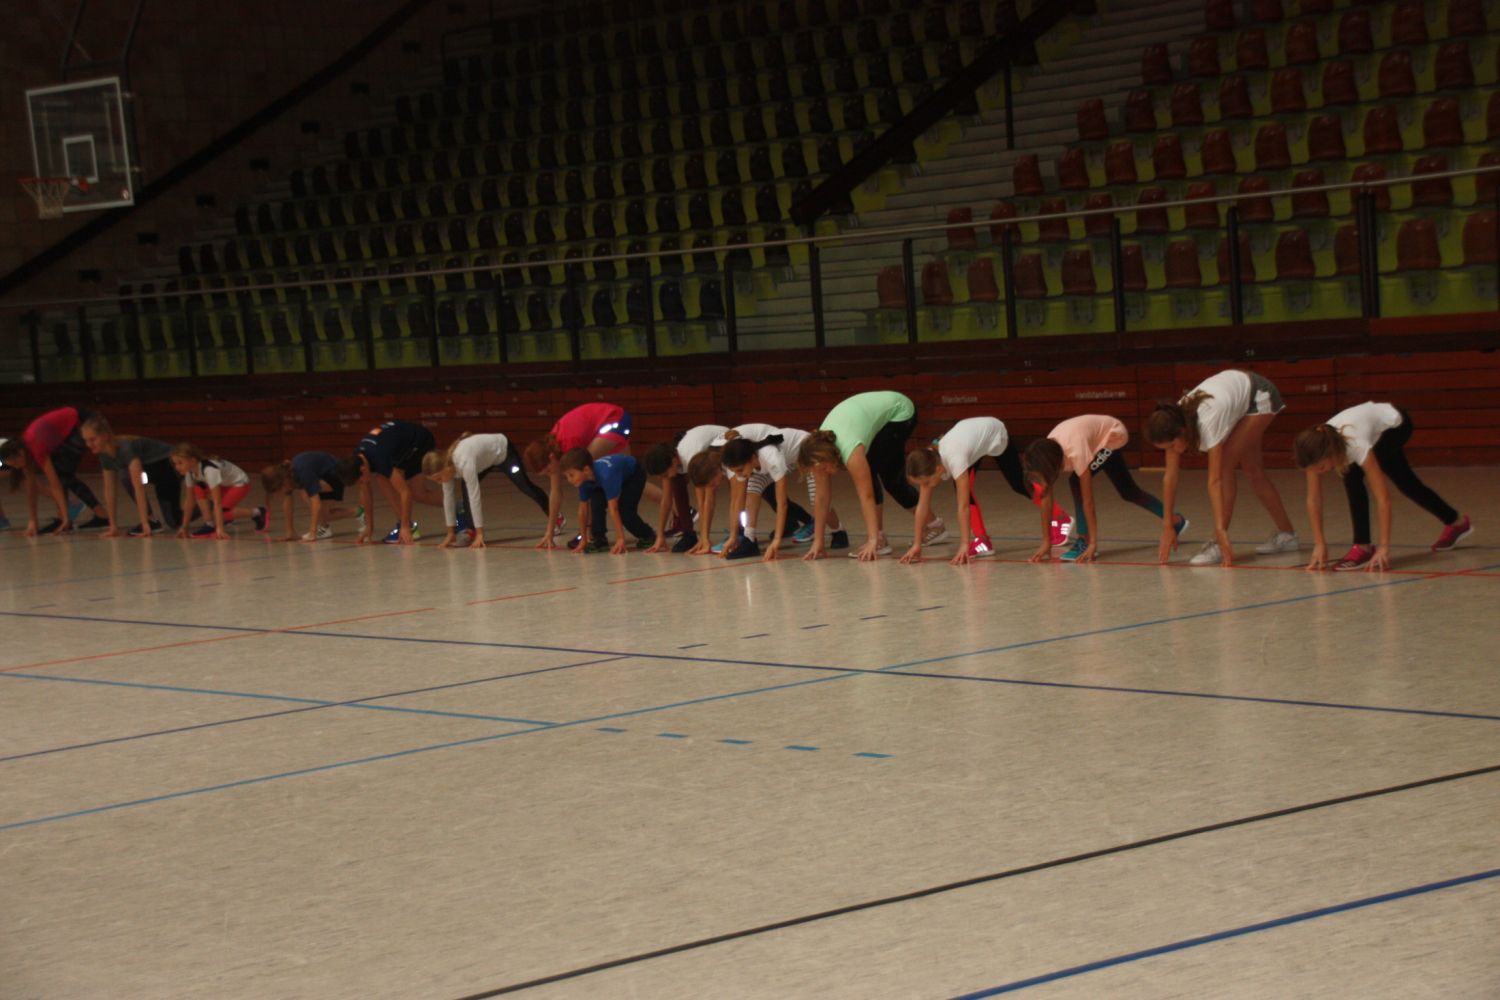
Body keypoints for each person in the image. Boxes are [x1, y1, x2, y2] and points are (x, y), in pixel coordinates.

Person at [1294, 402, 1473, 571]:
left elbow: (1382, 498)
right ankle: (1456, 522)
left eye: (1321, 468)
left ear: (1331, 453)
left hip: (1395, 425)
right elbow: (1314, 499)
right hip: (1371, 429)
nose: (1320, 472)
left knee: (1354, 477)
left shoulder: (1356, 445)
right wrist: (1319, 543)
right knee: (1407, 483)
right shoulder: (1313, 451)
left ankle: (1362, 547)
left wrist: (1384, 547)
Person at [1147, 369, 1298, 567]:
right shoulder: (1173, 420)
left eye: (1172, 446)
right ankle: (1287, 535)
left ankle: (1217, 542)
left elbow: (1215, 479)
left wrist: (1221, 529)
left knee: (1226, 464)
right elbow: (1170, 477)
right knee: (1253, 470)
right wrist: (1168, 525)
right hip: (1238, 395)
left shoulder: (1208, 420)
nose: (1172, 451)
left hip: (1259, 396)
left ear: (1182, 431)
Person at [899, 416, 1072, 565]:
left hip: (995, 433)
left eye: (926, 482)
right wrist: (917, 544)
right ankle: (983, 541)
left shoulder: (955, 458)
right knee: (964, 490)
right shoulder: (929, 461)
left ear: (937, 470)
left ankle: (1060, 517)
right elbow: (922, 506)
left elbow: (963, 506)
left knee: (1018, 484)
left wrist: (964, 545)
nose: (925, 486)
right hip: (972, 439)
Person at [796, 390, 943, 561]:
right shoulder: (817, 452)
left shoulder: (850, 449)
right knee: (881, 474)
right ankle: (931, 525)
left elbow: (866, 495)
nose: (824, 473)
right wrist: (818, 541)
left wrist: (872, 540)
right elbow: (821, 499)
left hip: (899, 412)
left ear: (827, 456)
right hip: (868, 416)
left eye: (823, 468)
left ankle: (882, 538)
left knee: (890, 479)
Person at [1022, 414, 1188, 563]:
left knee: (1076, 482)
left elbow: (1088, 502)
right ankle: (1175, 521)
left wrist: (1093, 544)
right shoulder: (1045, 457)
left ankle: (1084, 539)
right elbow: (1045, 497)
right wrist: (1046, 542)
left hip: (1113, 435)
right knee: (1129, 491)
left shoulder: (1075, 452)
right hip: (1094, 438)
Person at [524, 401, 664, 549]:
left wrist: (585, 533)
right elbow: (555, 492)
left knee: (587, 475)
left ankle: (591, 533)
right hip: (609, 422)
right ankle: (675, 509)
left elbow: (584, 487)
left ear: (551, 457)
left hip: (613, 420)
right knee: (629, 480)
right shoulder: (552, 449)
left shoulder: (569, 445)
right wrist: (549, 532)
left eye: (548, 471)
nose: (551, 474)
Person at [420, 431, 555, 549]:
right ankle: (471, 530)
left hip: (503, 452)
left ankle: (555, 517)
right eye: (435, 481)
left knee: (524, 486)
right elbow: (448, 499)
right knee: (465, 487)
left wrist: (481, 534)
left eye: (439, 478)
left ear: (445, 468)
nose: (439, 482)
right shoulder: (447, 469)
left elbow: (474, 496)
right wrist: (450, 533)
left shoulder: (464, 461)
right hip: (485, 461)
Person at [715, 425, 825, 561]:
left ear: (752, 458)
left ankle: (838, 532)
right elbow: (738, 501)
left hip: (809, 451)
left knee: (818, 499)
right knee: (752, 491)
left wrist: (776, 541)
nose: (739, 475)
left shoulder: (771, 457)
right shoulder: (747, 462)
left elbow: (782, 503)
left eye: (740, 470)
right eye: (735, 472)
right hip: (787, 458)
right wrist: (733, 536)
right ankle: (749, 539)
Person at [0, 405, 109, 536]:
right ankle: (99, 514)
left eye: (15, 463)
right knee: (64, 473)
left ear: (19, 454)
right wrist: (33, 520)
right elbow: (31, 487)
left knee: (61, 473)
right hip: (70, 427)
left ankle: (66, 518)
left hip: (81, 421)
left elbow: (55, 484)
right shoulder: (25, 449)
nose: (16, 467)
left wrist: (65, 518)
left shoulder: (36, 447)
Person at [333, 419, 442, 545]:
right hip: (401, 443)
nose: (361, 483)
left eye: (360, 481)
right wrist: (369, 526)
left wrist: (404, 527)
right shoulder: (357, 459)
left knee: (417, 493)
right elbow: (365, 492)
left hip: (420, 442)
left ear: (363, 470)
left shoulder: (379, 458)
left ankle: (408, 526)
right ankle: (407, 524)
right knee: (382, 478)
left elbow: (405, 493)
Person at [80, 415, 184, 537]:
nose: (88, 444)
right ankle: (152, 521)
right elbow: (109, 490)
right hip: (155, 473)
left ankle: (151, 520)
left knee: (125, 474)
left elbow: (138, 486)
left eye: (92, 439)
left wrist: (145, 523)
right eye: (86, 440)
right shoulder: (105, 455)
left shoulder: (126, 449)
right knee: (174, 521)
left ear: (105, 436)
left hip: (170, 467)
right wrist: (113, 526)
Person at [642, 425, 726, 553]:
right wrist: (660, 536)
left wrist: (704, 539)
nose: (664, 478)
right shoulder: (670, 462)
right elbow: (666, 500)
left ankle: (740, 532)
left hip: (724, 443)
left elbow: (706, 500)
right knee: (676, 484)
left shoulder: (693, 459)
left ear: (674, 461)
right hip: (701, 445)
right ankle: (688, 534)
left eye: (664, 474)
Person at [559, 447, 655, 554]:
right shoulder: (584, 480)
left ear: (586, 470)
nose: (569, 480)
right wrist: (584, 539)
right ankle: (599, 539)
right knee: (596, 506)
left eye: (571, 475)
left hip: (633, 475)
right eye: (566, 476)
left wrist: (620, 539)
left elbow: (613, 509)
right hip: (605, 478)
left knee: (625, 511)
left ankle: (648, 535)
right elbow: (582, 511)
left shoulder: (607, 475)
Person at [260, 453, 366, 542]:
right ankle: (324, 526)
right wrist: (290, 532)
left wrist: (312, 532)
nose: (280, 493)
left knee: (322, 512)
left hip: (335, 477)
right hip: (322, 476)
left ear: (281, 483)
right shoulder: (288, 475)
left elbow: (316, 503)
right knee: (313, 502)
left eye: (278, 491)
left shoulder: (302, 472)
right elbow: (287, 502)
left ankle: (359, 512)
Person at [169, 443, 264, 540]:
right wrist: (184, 527)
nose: (177, 467)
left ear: (193, 461)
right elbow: (189, 501)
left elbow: (217, 502)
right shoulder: (190, 473)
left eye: (180, 463)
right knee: (198, 487)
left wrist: (220, 529)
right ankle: (209, 525)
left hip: (239, 483)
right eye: (175, 463)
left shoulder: (210, 470)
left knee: (221, 514)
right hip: (224, 484)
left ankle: (258, 513)